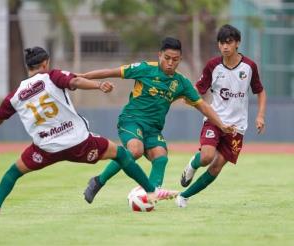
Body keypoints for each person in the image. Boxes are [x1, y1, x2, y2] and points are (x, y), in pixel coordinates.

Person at [0, 47, 177, 216]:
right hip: (78, 143)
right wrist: (97, 86)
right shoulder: (52, 76)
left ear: (28, 67)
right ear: (45, 63)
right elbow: (74, 81)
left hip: (45, 148)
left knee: (13, 172)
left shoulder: (16, 95)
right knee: (122, 154)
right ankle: (151, 191)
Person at [79, 37, 236, 204]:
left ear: (180, 60)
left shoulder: (181, 83)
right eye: (166, 58)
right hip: (131, 120)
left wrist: (221, 125)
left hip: (153, 129)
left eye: (175, 60)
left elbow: (203, 106)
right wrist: (82, 76)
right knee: (135, 150)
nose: (170, 63)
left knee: (161, 157)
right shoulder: (145, 68)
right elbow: (111, 71)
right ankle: (98, 181)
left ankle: (150, 197)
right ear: (159, 55)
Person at [176, 24, 266, 208]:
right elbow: (198, 89)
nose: (225, 46)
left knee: (216, 167)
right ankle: (192, 166)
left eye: (229, 42)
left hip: (237, 127)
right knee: (207, 156)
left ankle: (183, 196)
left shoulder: (249, 67)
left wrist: (260, 116)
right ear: (218, 45)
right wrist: (189, 97)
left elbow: (260, 91)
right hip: (214, 120)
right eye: (221, 43)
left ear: (237, 43)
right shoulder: (213, 66)